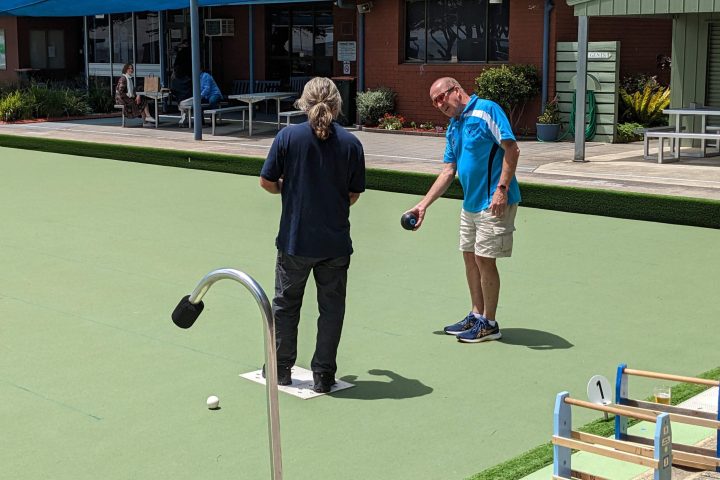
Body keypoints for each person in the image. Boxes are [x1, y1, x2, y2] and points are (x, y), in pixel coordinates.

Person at [259, 77, 366, 393]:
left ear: (304, 102)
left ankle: (280, 369)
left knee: (286, 304)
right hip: (334, 244)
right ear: (337, 103)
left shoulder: (288, 137)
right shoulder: (351, 143)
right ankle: (323, 375)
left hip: (295, 241)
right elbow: (353, 193)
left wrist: (288, 190)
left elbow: (266, 181)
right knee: (331, 309)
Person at [404, 77, 521, 344]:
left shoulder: (487, 110)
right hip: (470, 204)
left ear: (456, 90)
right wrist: (423, 205)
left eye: (441, 97)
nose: (438, 105)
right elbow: (449, 170)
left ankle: (489, 324)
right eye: (434, 102)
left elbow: (511, 148)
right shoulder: (454, 126)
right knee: (469, 258)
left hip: (494, 202)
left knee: (484, 259)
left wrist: (501, 189)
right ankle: (476, 314)